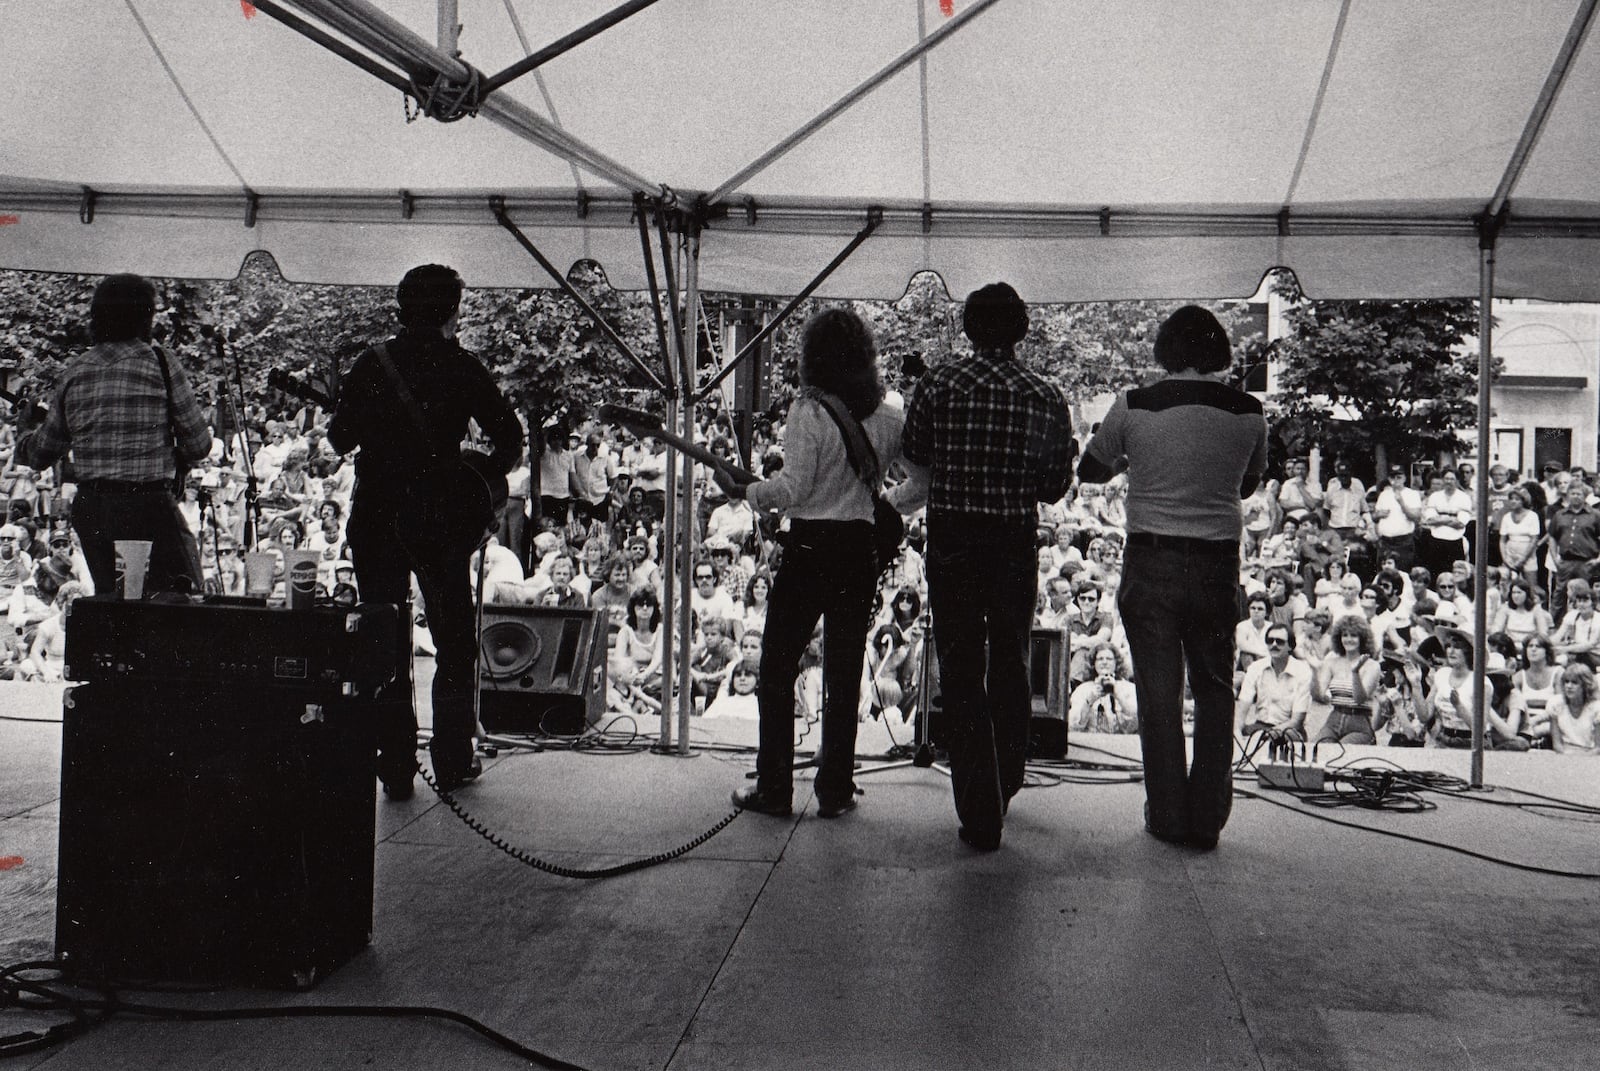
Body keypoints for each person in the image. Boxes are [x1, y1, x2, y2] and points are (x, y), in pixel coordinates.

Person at [889, 282, 1077, 852]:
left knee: (963, 667)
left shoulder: (940, 383)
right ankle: (1006, 781)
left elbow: (915, 456)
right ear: (1021, 330)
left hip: (954, 541)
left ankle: (979, 806)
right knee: (1013, 661)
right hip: (1013, 540)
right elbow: (1052, 486)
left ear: (968, 330)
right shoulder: (1045, 395)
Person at [326, 264, 524, 798]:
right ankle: (454, 758)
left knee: (386, 637)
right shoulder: (460, 365)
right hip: (438, 517)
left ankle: (394, 763)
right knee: (453, 640)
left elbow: (341, 439)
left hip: (377, 515)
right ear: (452, 311)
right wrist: (476, 482)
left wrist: (352, 409)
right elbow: (509, 439)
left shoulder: (373, 363)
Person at [1079, 305, 1267, 851]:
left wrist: (1130, 465)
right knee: (1214, 688)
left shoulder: (1134, 404)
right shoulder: (1250, 410)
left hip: (1152, 558)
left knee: (1159, 693)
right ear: (1217, 352)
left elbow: (1089, 470)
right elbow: (1250, 484)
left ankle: (1166, 812)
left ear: (1164, 348)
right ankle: (1208, 817)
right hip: (1216, 562)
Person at [715, 307, 903, 820]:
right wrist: (881, 508)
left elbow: (793, 491)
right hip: (858, 552)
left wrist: (747, 490)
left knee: (776, 669)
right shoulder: (889, 415)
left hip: (810, 550)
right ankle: (835, 791)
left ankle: (775, 787)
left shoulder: (809, 413)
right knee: (843, 674)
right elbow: (918, 479)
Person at [15, 274, 211, 595]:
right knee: (183, 601)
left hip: (94, 509)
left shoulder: (75, 371)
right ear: (144, 316)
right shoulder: (161, 362)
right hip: (149, 504)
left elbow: (39, 453)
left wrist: (25, 429)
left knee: (117, 610)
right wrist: (177, 458)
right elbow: (200, 444)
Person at [1235, 623, 1313, 743]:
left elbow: (1297, 721)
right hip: (1260, 726)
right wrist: (1237, 732)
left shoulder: (1302, 671)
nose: (1274, 645)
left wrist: (1266, 735)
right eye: (1270, 641)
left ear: (1290, 646)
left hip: (1289, 730)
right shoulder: (1255, 668)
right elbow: (1243, 706)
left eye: (1280, 642)